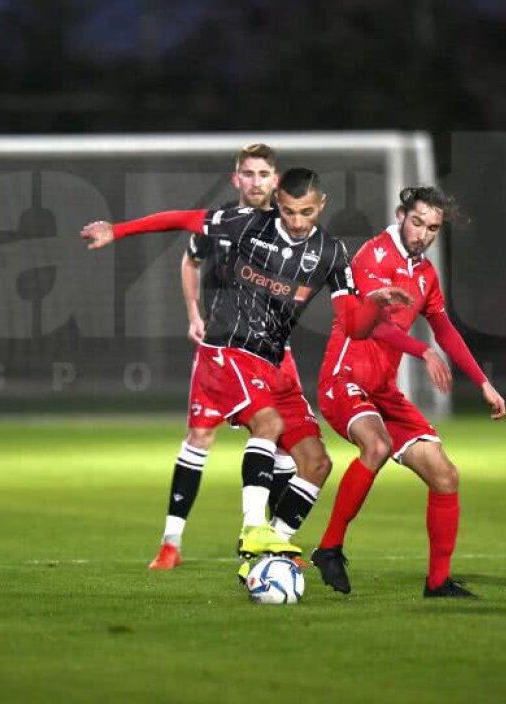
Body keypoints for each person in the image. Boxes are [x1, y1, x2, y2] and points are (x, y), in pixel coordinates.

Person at [82, 168, 411, 577]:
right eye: (289, 211)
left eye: (306, 212)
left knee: (316, 463)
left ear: (321, 206)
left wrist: (375, 302)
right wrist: (118, 230)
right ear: (278, 205)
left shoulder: (331, 252)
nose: (296, 221)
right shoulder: (248, 223)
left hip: (273, 362)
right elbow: (182, 218)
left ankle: (268, 551)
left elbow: (353, 324)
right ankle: (253, 529)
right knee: (266, 423)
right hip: (229, 351)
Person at [310, 186, 506, 598]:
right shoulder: (372, 256)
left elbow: (445, 329)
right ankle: (329, 547)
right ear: (401, 215)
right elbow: (368, 325)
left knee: (444, 474)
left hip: (382, 391)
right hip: (344, 378)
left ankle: (437, 582)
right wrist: (421, 351)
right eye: (417, 222)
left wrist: (483, 383)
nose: (423, 234)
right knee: (376, 445)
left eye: (433, 228)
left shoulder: (426, 275)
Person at [149, 143, 300, 571]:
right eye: (247, 174)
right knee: (199, 437)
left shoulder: (290, 223)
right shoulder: (216, 224)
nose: (255, 182)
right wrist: (193, 312)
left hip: (272, 351)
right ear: (237, 179)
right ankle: (171, 543)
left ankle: (269, 540)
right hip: (220, 350)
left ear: (276, 179)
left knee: (285, 446)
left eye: (263, 174)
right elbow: (189, 260)